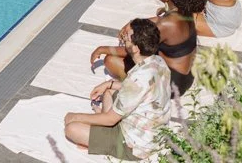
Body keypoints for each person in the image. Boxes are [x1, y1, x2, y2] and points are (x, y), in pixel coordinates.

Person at [65, 18, 171, 160]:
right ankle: (98, 131)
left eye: (127, 38)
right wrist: (109, 85)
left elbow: (110, 120)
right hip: (152, 130)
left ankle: (99, 140)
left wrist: (74, 116)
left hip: (134, 146)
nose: (124, 39)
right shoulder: (158, 61)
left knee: (71, 128)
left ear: (135, 48)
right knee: (108, 92)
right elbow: (143, 89)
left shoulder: (137, 79)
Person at [91, 0, 205, 96]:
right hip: (185, 77)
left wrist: (102, 49)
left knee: (110, 61)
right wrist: (133, 23)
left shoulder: (167, 24)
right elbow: (160, 19)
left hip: (171, 86)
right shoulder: (185, 10)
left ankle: (139, 88)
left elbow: (137, 50)